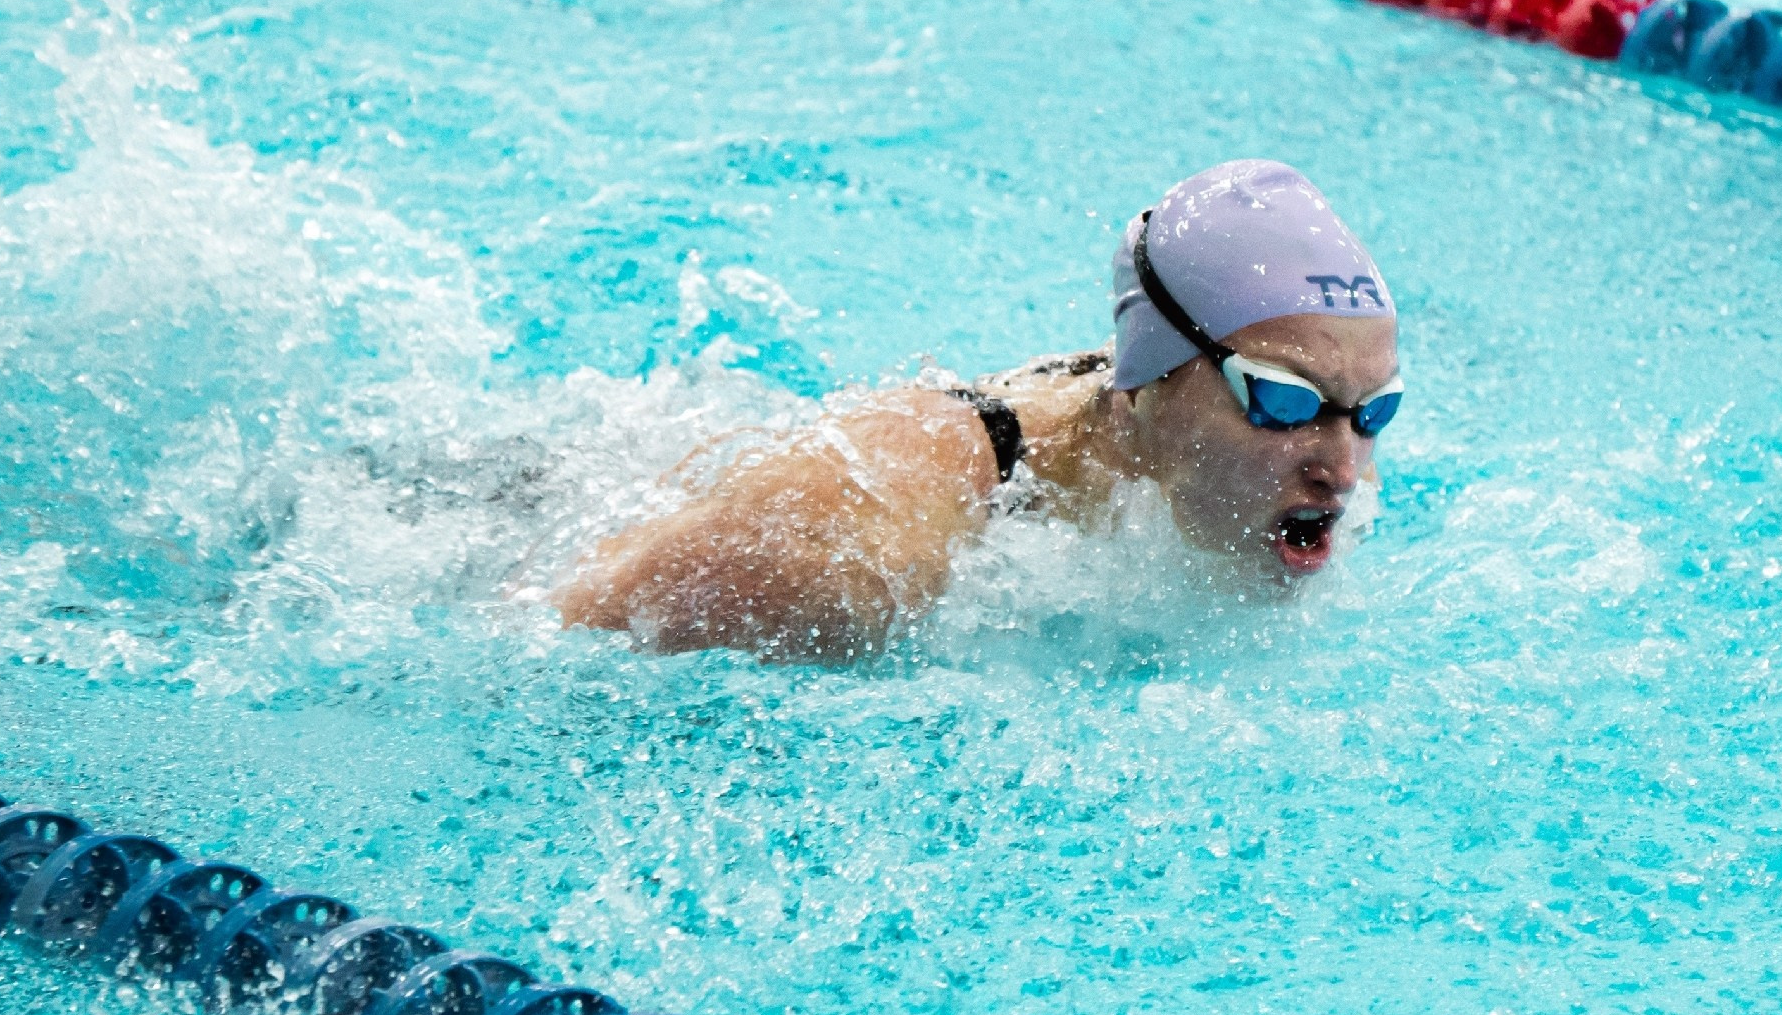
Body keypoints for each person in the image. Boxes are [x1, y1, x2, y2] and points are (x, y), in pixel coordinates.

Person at [556, 159, 1403, 661]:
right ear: (1143, 385)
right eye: (1284, 401)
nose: (1341, 470)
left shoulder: (1308, 469)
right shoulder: (859, 551)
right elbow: (558, 636)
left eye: (1373, 413)